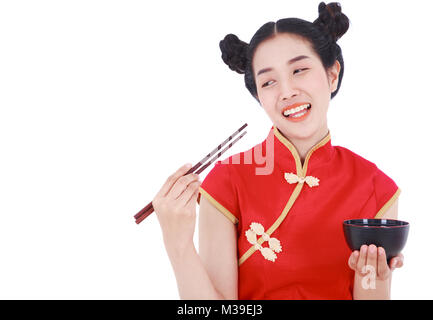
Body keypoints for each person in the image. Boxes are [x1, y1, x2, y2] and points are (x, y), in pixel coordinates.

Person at [152, 2, 404, 300]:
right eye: (269, 81)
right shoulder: (226, 181)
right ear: (258, 95)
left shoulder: (375, 186)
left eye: (299, 70)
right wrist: (178, 244)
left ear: (332, 74)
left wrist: (372, 279)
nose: (286, 92)